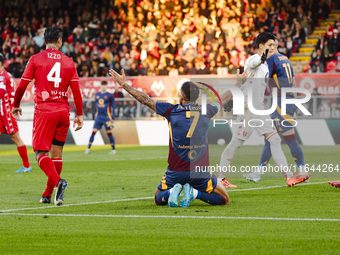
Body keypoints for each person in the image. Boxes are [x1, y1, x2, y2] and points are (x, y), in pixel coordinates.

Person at [109, 68, 232, 207]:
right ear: (196, 97)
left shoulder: (171, 111)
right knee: (224, 199)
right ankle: (195, 193)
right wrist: (241, 81)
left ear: (181, 96)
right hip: (200, 174)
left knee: (157, 198)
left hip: (175, 173)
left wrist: (125, 85)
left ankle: (172, 191)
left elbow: (145, 99)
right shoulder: (207, 110)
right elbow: (224, 98)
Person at [218, 32, 310, 187]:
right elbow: (255, 62)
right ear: (261, 46)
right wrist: (261, 57)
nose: (273, 48)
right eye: (269, 45)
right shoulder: (254, 60)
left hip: (254, 107)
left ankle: (288, 177)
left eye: (274, 45)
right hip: (251, 108)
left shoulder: (266, 65)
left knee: (268, 140)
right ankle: (221, 178)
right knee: (243, 142)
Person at [12, 27, 84, 206]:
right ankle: (48, 194)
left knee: (39, 153)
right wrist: (80, 115)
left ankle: (59, 181)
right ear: (60, 41)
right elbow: (76, 91)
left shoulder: (36, 59)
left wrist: (16, 104)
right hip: (63, 113)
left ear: (45, 41)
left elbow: (22, 86)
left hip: (45, 111)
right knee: (57, 154)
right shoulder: (69, 62)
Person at [244, 38, 310, 183]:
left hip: (281, 102)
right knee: (271, 138)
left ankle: (302, 170)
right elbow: (292, 81)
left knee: (289, 138)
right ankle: (258, 172)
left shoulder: (272, 60)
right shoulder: (285, 59)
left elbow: (261, 77)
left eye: (270, 46)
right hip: (287, 101)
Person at [0, 53, 32, 173]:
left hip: (7, 111)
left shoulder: (3, 76)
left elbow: (0, 93)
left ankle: (27, 166)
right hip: (2, 111)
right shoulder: (6, 75)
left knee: (15, 137)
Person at [84, 80, 116, 155]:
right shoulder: (97, 95)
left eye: (105, 85)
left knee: (109, 133)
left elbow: (113, 106)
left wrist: (113, 117)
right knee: (93, 132)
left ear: (106, 86)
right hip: (98, 117)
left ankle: (113, 149)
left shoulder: (110, 95)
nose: (103, 87)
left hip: (106, 117)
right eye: (102, 85)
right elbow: (95, 106)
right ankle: (88, 148)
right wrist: (95, 115)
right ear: (100, 86)